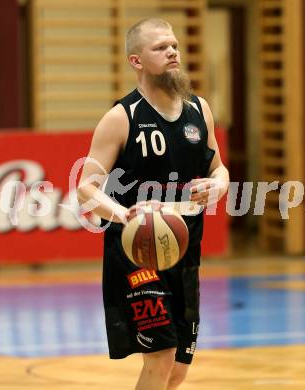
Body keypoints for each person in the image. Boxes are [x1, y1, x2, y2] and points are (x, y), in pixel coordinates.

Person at [77, 18, 229, 390]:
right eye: (160, 47)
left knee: (177, 369)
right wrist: (123, 215)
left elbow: (220, 168)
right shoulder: (121, 118)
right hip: (137, 254)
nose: (173, 51)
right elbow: (86, 188)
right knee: (160, 358)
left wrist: (217, 186)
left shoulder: (199, 110)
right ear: (136, 61)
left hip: (185, 249)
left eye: (174, 45)